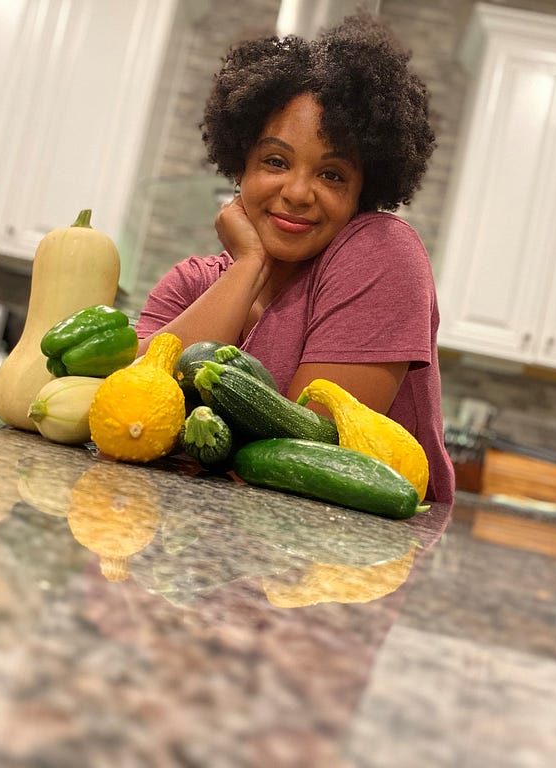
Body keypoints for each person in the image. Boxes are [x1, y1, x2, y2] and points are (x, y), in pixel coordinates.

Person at [135, 14, 454, 503]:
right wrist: (247, 266)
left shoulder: (383, 255)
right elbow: (129, 414)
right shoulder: (190, 285)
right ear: (240, 165)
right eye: (276, 162)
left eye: (332, 175)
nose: (299, 192)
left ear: (362, 191)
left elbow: (305, 457)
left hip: (359, 560)